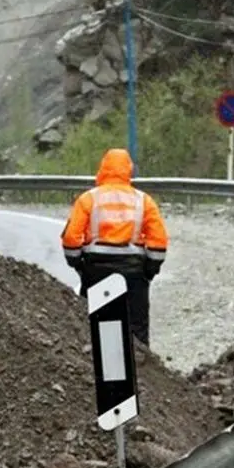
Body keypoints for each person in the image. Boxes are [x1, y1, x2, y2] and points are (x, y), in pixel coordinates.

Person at [60, 148, 169, 345]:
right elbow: (159, 241)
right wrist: (150, 271)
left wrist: (78, 264)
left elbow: (70, 238)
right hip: (134, 274)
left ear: (102, 168)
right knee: (137, 330)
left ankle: (92, 368)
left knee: (93, 328)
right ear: (129, 170)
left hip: (96, 271)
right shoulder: (143, 201)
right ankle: (143, 370)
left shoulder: (88, 199)